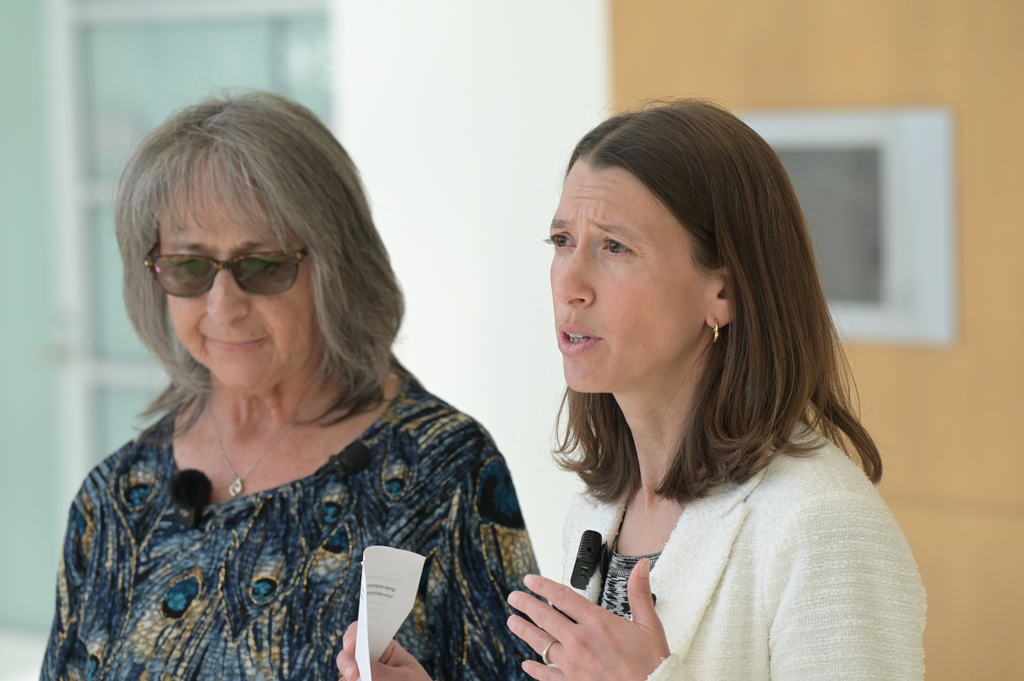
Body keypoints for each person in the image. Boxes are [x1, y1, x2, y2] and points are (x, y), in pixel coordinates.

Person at [339, 98, 927, 681]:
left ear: (723, 291)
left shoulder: (822, 524)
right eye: (562, 241)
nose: (569, 284)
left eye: (614, 247)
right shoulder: (600, 510)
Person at [40, 90, 538, 681]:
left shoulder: (442, 468)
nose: (223, 306)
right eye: (190, 267)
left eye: (264, 265)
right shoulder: (117, 500)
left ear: (337, 267)